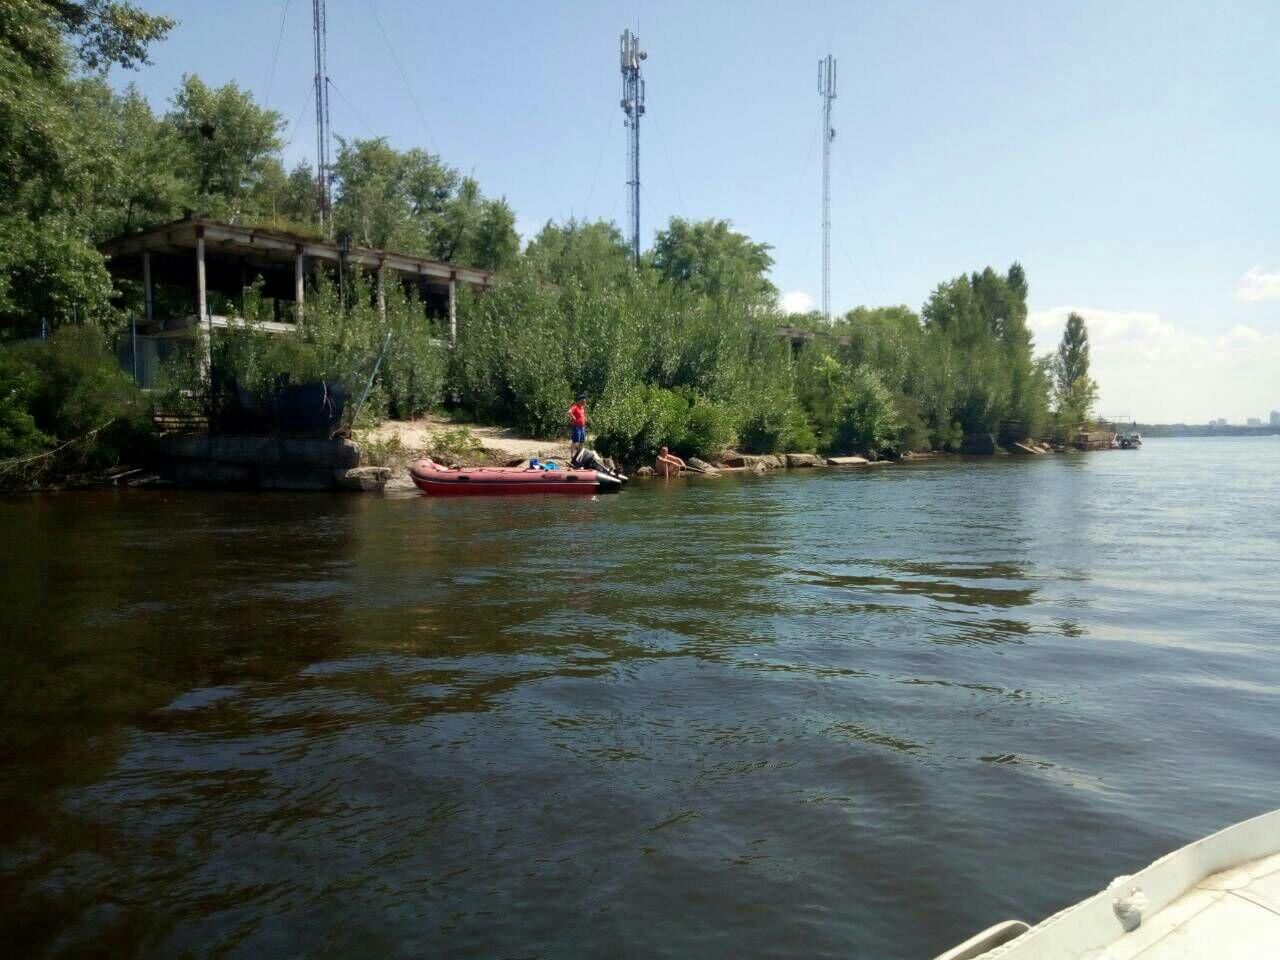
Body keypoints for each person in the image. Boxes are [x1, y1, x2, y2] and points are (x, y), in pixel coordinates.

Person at [568, 393, 588, 460]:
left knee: (582, 441)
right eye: (584, 401)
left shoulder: (582, 408)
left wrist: (585, 421)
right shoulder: (575, 407)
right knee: (575, 441)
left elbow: (582, 416)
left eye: (585, 401)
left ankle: (580, 454)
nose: (585, 402)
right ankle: (572, 455)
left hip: (582, 427)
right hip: (576, 427)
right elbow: (569, 412)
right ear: (580, 401)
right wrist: (573, 417)